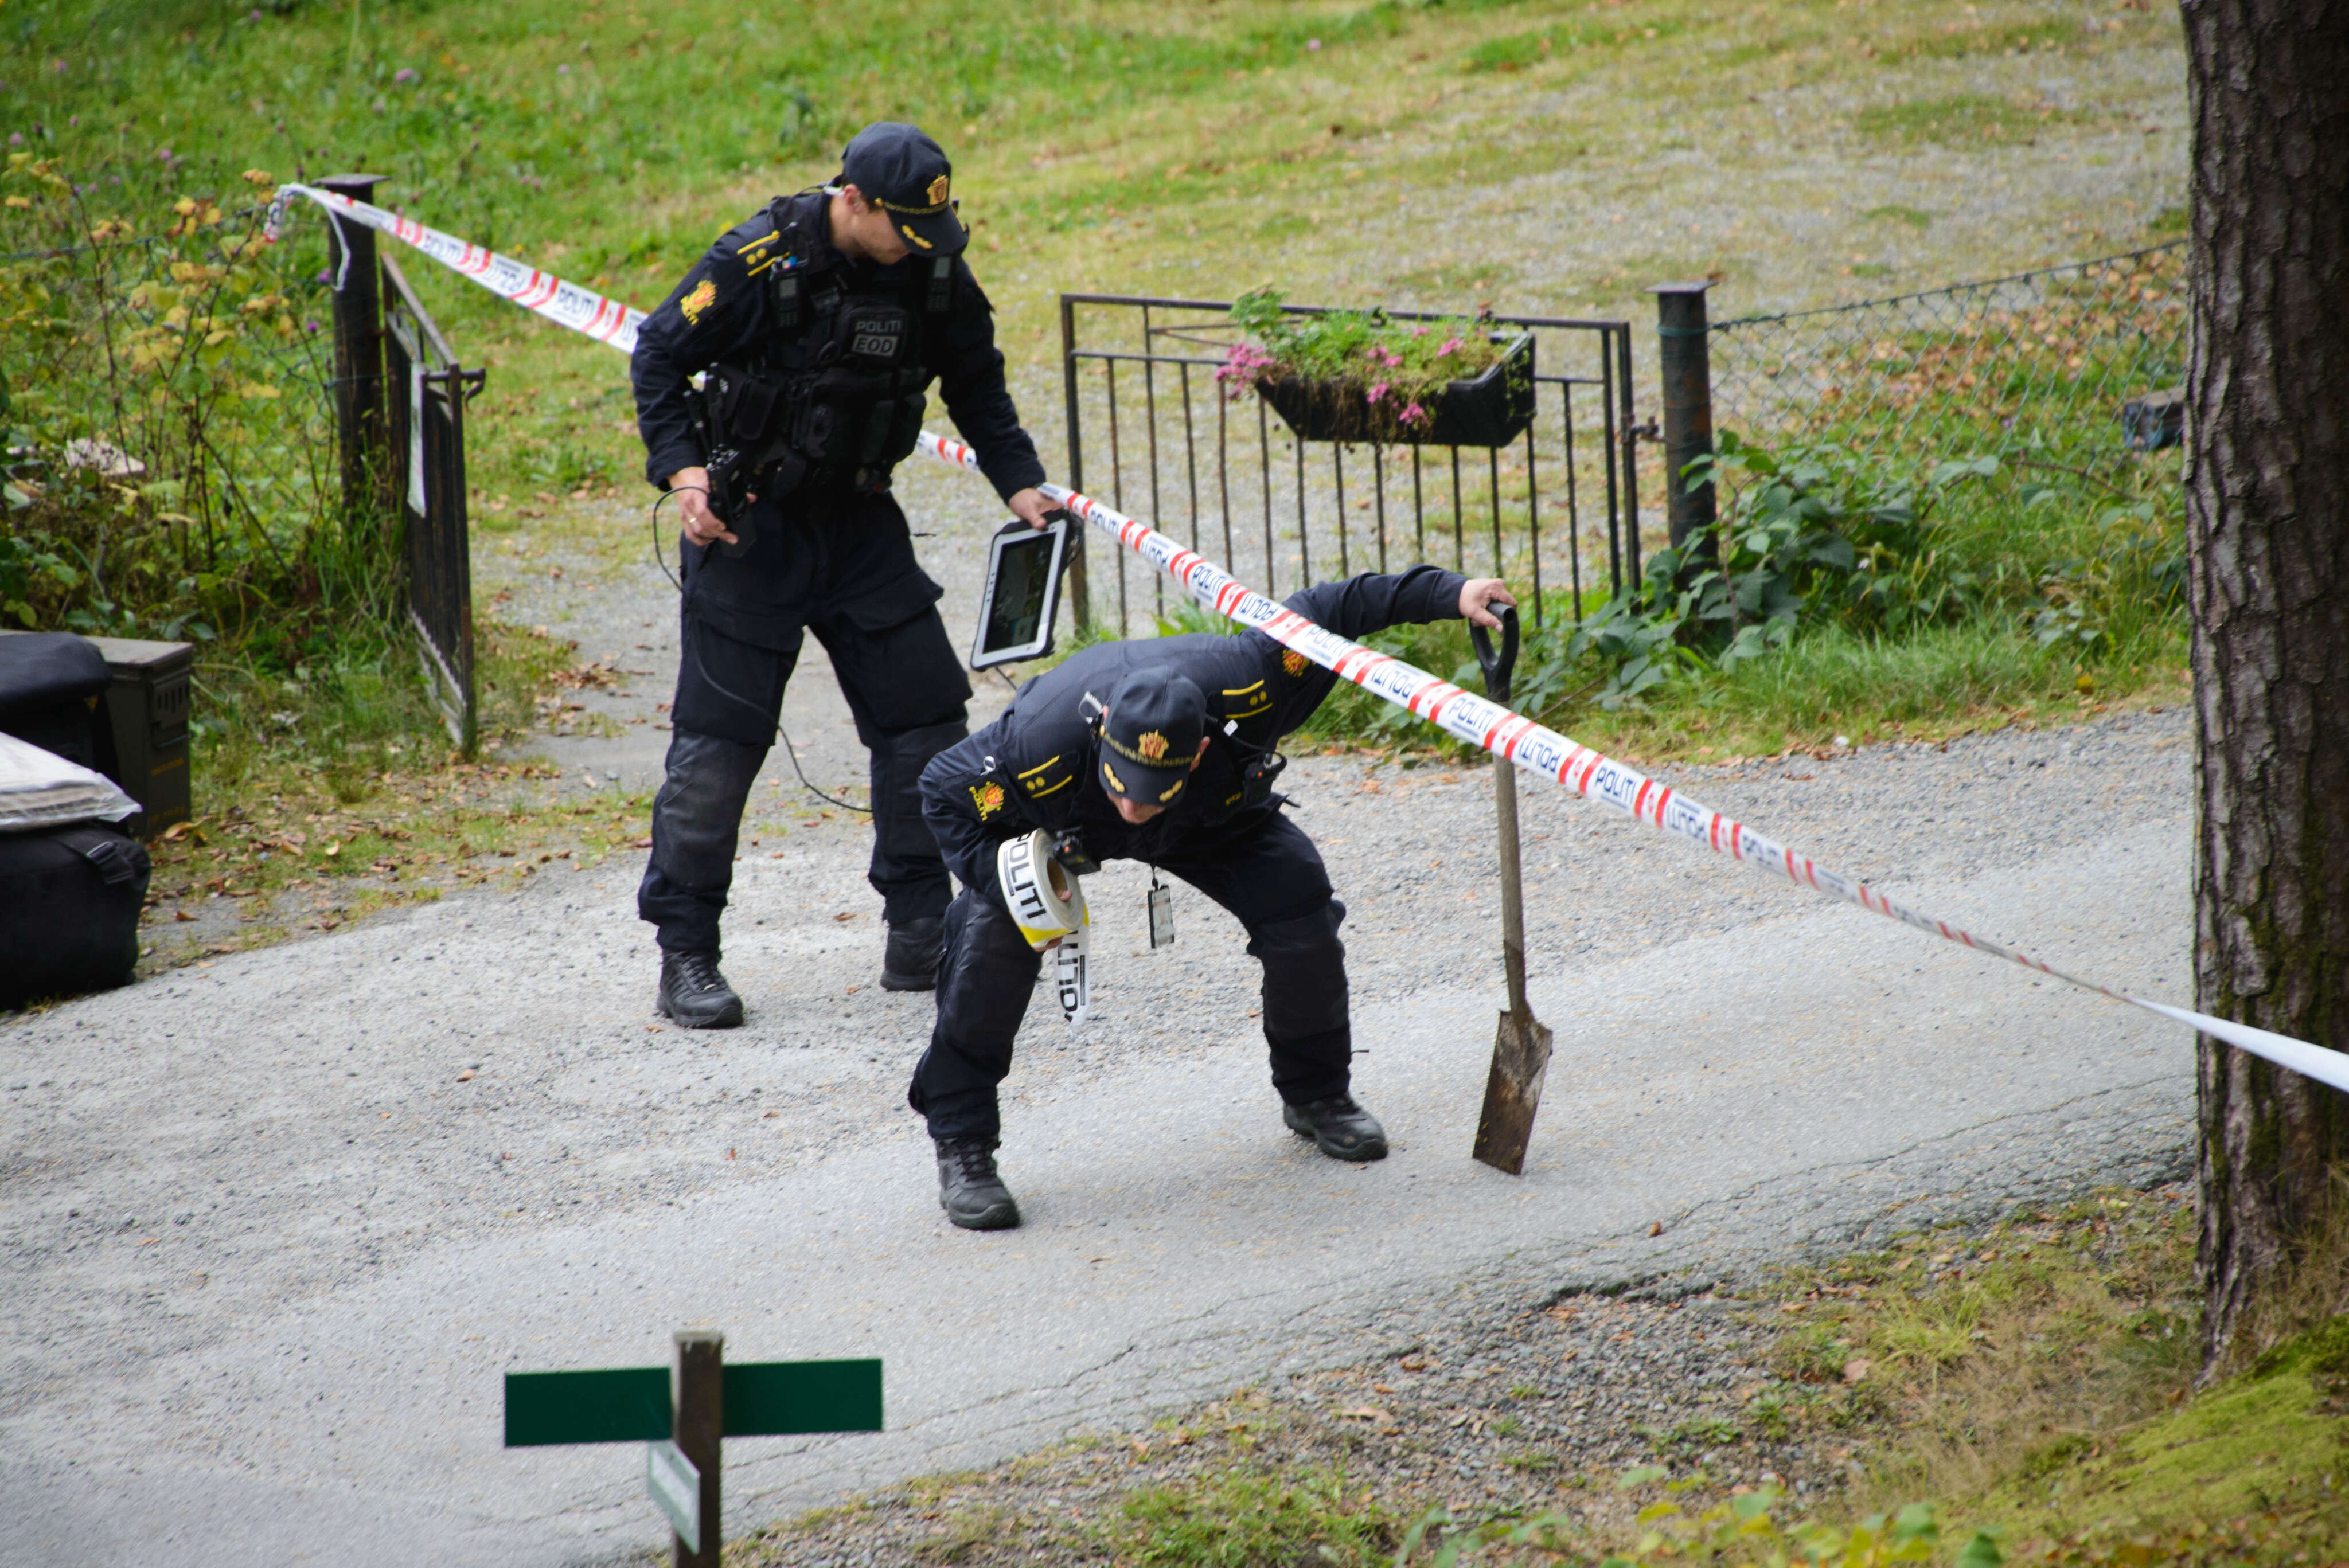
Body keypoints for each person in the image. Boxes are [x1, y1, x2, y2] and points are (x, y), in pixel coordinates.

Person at [911, 566, 1517, 1230]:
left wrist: (1449, 594)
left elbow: (1335, 607)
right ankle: (962, 1140)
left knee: (1301, 909)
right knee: (993, 937)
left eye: (1151, 790)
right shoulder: (1038, 741)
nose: (1134, 806)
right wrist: (1012, 880)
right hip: (1067, 823)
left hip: (1210, 817)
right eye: (1123, 783)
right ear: (1103, 727)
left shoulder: (1255, 681)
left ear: (1198, 748)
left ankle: (1317, 1095)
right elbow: (941, 789)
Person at [630, 122, 1055, 1028]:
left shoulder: (933, 266)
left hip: (860, 523)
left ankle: (920, 931)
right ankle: (687, 952)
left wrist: (1020, 481)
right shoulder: (759, 258)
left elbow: (976, 380)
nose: (917, 245)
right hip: (751, 530)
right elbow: (658, 354)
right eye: (902, 226)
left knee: (925, 721)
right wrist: (686, 474)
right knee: (718, 749)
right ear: (853, 200)